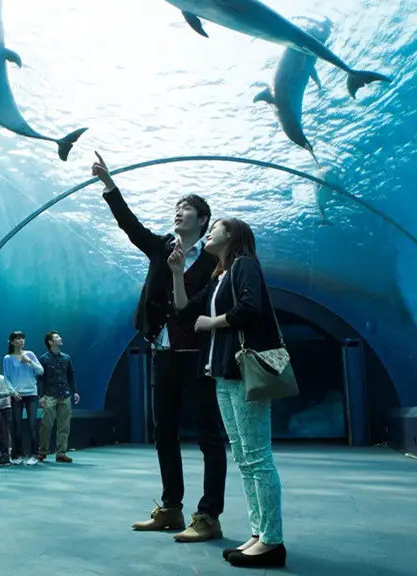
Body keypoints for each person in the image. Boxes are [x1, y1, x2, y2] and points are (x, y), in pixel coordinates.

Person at [93, 152, 227, 542]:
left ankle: (208, 515)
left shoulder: (213, 260)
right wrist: (109, 183)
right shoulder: (160, 246)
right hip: (162, 354)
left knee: (208, 435)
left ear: (203, 219)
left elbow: (197, 307)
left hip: (198, 357)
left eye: (186, 209)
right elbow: (129, 225)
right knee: (163, 431)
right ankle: (171, 508)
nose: (178, 213)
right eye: (176, 208)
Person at [170, 217, 287, 568]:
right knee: (244, 458)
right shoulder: (219, 276)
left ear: (232, 234)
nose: (209, 232)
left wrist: (214, 323)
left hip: (242, 371)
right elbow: (185, 310)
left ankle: (273, 541)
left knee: (257, 457)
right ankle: (259, 533)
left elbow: (251, 308)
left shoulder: (244, 265)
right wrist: (177, 273)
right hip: (222, 373)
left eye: (216, 226)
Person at [37, 331, 80, 463]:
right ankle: (42, 451)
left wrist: (75, 391)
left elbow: (71, 375)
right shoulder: (43, 359)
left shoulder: (66, 358)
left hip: (65, 394)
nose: (60, 338)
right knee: (46, 424)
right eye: (56, 337)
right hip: (49, 395)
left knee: (64, 425)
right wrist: (41, 396)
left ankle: (61, 452)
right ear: (50, 342)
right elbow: (41, 379)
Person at [3, 331, 45, 466]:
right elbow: (6, 378)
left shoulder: (30, 354)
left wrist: (29, 362)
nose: (21, 340)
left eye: (22, 338)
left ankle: (34, 454)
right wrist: (13, 392)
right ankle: (17, 454)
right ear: (12, 342)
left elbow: (41, 371)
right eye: (18, 338)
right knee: (17, 425)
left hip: (32, 393)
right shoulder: (7, 358)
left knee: (33, 424)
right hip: (17, 395)